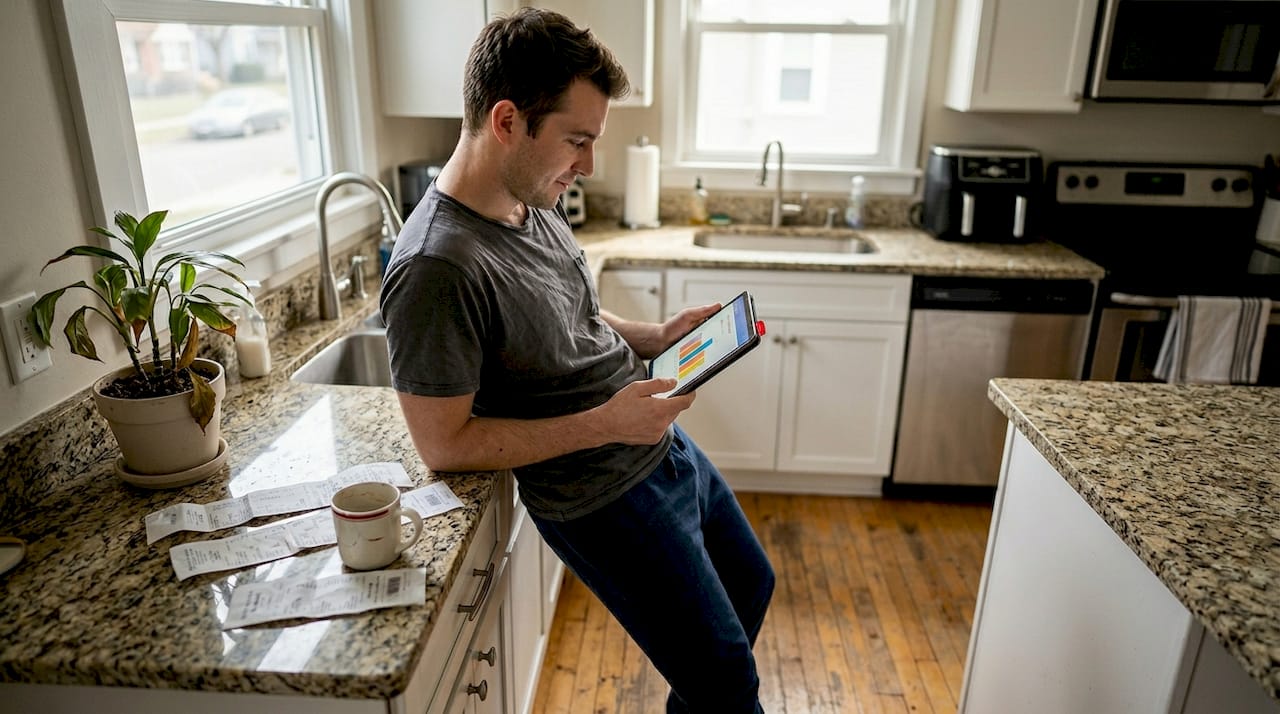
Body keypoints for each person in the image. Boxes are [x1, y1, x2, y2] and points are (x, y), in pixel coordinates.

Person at [379, 8, 774, 712]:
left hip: (655, 447)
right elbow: (442, 444)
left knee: (752, 587)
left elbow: (570, 317)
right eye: (577, 141)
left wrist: (651, 336)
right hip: (603, 499)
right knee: (726, 680)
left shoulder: (533, 195)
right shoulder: (437, 266)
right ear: (508, 122)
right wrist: (608, 424)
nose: (587, 164)